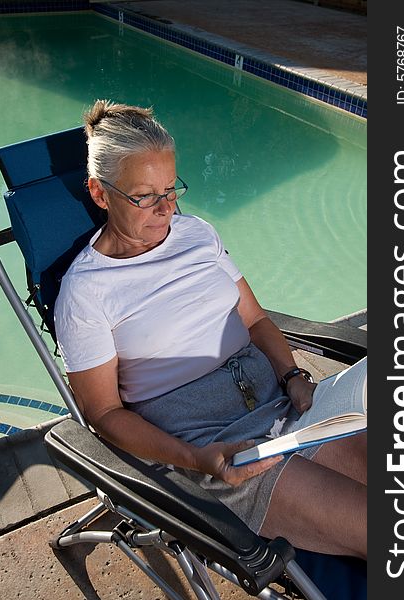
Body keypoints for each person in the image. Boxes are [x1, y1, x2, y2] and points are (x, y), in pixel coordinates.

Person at [54, 99, 366, 560]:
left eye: (170, 190)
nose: (164, 209)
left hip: (285, 408)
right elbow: (104, 415)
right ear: (100, 194)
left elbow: (256, 319)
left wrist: (293, 375)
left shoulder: (197, 234)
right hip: (213, 450)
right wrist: (197, 459)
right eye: (144, 196)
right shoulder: (86, 293)